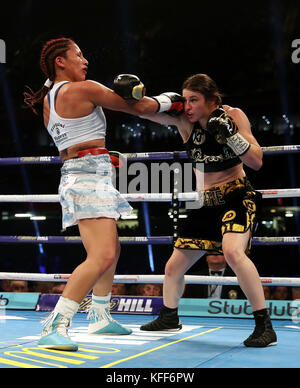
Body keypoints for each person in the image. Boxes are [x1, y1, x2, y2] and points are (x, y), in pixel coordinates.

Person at [24, 37, 182, 351]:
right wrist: (172, 102)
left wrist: (100, 157)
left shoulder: (48, 99)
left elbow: (75, 143)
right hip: (86, 179)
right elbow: (138, 107)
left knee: (112, 249)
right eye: (79, 55)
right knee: (101, 255)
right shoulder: (83, 89)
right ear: (61, 62)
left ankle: (99, 315)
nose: (85, 61)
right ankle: (56, 324)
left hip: (85, 173)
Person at [132, 73, 277, 347]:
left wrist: (232, 137)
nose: (187, 106)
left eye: (194, 100)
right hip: (204, 202)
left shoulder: (233, 115)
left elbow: (256, 161)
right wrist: (138, 96)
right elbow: (142, 112)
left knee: (233, 252)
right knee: (174, 266)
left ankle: (264, 325)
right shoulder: (183, 121)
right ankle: (169, 317)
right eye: (185, 99)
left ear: (212, 100)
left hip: (236, 195)